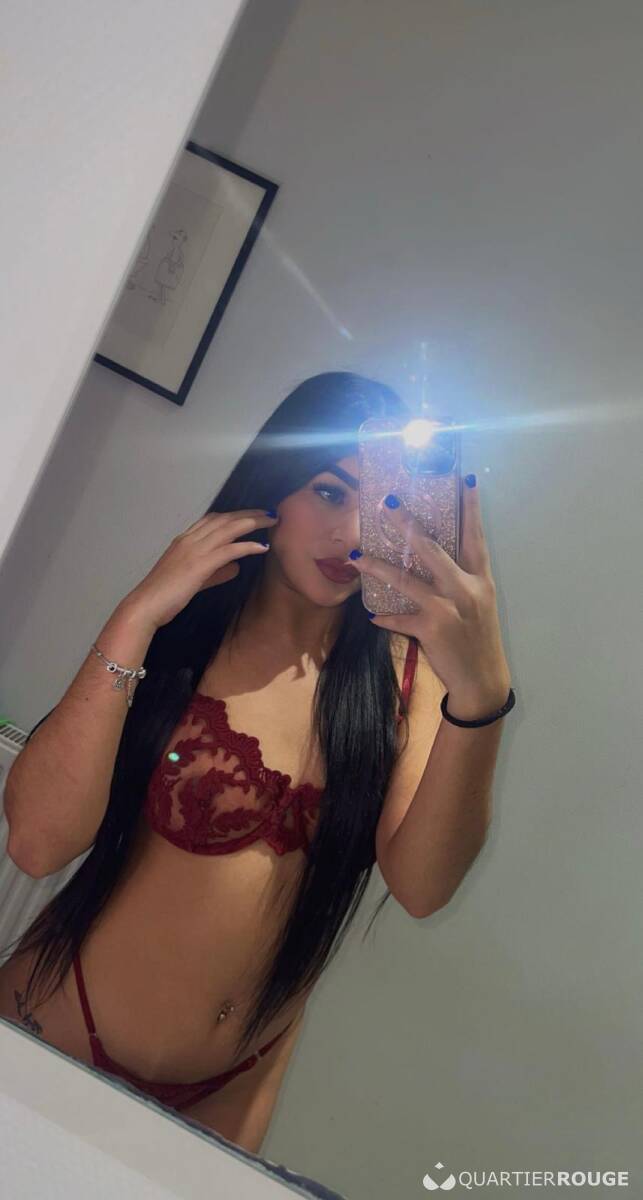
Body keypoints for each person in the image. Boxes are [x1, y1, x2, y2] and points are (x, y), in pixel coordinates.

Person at [0, 371, 513, 1154]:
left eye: (384, 505)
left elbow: (421, 887)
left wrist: (481, 695)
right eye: (329, 492)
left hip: (228, 1095)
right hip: (56, 1027)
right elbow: (37, 843)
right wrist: (137, 615)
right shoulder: (185, 632)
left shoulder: (407, 679)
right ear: (275, 484)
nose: (352, 532)